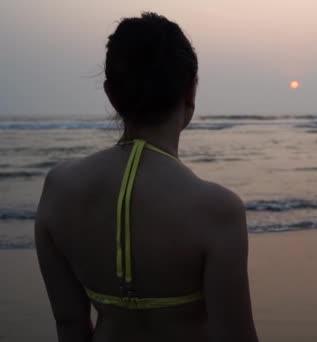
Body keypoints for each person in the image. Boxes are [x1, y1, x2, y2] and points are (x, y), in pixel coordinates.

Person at [35, 12, 258, 342]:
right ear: (190, 96)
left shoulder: (58, 189)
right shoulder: (217, 211)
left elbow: (70, 325)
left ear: (111, 93)